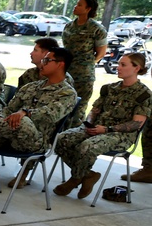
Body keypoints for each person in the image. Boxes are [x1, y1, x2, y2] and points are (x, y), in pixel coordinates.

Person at [0, 47, 78, 206]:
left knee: (22, 121)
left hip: (33, 141)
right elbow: (8, 110)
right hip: (6, 134)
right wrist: (1, 118)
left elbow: (51, 115)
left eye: (47, 60)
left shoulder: (67, 93)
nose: (42, 64)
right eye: (43, 60)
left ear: (60, 64)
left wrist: (25, 113)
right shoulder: (31, 87)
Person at [54, 53, 150, 198]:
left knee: (87, 146)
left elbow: (136, 124)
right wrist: (89, 123)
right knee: (61, 139)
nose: (118, 67)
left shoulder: (144, 94)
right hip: (97, 128)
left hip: (120, 135)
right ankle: (88, 175)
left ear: (137, 68)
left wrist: (106, 129)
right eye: (118, 64)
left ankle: (74, 179)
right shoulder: (109, 88)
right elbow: (94, 111)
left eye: (123, 65)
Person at [61, 0, 108, 127]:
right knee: (63, 105)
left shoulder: (97, 29)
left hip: (84, 76)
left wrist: (87, 65)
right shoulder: (69, 26)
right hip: (66, 72)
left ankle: (73, 136)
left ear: (88, 9)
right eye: (76, 4)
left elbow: (101, 53)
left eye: (79, 5)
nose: (75, 7)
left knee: (78, 109)